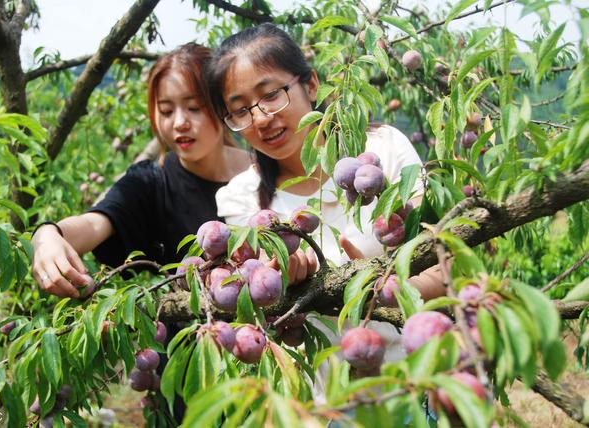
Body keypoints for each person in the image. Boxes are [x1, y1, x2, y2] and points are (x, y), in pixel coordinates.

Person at [207, 23, 446, 402]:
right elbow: (264, 311)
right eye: (240, 111)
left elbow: (442, 270)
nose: (262, 117)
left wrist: (379, 290)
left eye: (271, 95)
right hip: (328, 406)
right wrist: (283, 283)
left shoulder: (382, 150)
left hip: (420, 388)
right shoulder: (242, 200)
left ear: (311, 85)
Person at [31, 43, 251, 299]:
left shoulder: (262, 170)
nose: (179, 123)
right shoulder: (151, 181)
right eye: (167, 111)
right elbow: (94, 223)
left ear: (222, 105)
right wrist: (47, 234)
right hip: (198, 335)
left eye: (194, 107)